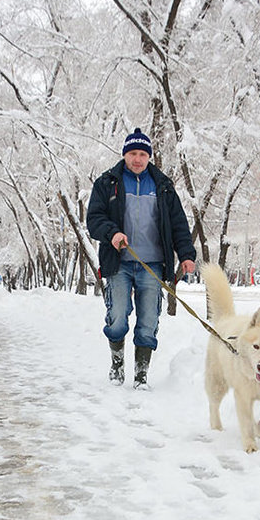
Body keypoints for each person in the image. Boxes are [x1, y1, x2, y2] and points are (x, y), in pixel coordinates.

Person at [87, 127, 196, 388]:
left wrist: (186, 254)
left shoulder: (163, 186)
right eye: (133, 153)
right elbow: (94, 219)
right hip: (119, 264)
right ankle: (116, 365)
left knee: (148, 320)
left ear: (149, 156)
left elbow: (178, 224)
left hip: (152, 265)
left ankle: (141, 374)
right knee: (117, 317)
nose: (137, 159)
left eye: (142, 154)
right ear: (125, 155)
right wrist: (112, 233)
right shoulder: (107, 183)